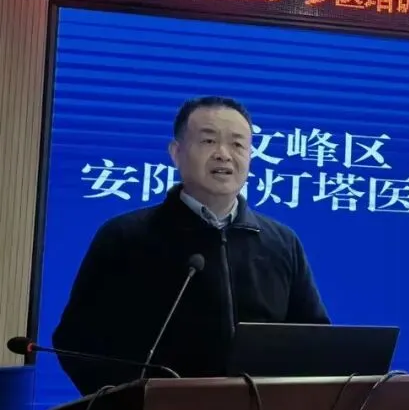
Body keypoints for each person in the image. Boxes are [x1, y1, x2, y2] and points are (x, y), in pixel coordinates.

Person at [53, 96, 329, 394]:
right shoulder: (125, 236)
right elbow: (77, 340)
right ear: (176, 153)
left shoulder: (281, 242)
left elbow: (314, 339)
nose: (224, 155)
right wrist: (126, 403)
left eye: (237, 144)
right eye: (208, 141)